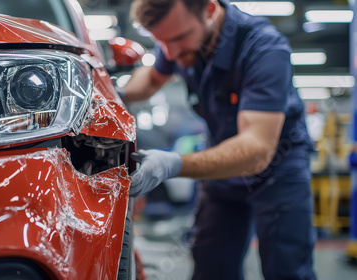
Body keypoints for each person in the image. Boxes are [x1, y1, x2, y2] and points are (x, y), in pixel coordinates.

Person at [124, 0, 317, 279]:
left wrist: (173, 164)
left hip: (277, 168)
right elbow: (152, 79)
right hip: (223, 163)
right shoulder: (178, 38)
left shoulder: (264, 49)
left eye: (178, 38)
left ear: (210, 10)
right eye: (162, 42)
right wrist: (113, 94)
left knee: (286, 268)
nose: (171, 53)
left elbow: (256, 151)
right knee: (211, 265)